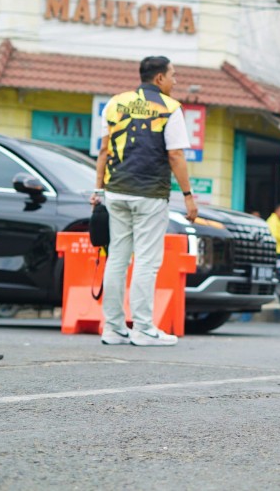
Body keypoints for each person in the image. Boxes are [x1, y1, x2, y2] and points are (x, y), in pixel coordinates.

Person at [94, 55, 198, 347]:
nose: (175, 82)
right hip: (149, 195)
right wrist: (188, 196)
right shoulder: (171, 108)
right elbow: (175, 155)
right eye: (173, 76)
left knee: (117, 258)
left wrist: (98, 189)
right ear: (159, 78)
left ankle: (113, 329)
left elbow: (103, 150)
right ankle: (143, 328)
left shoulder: (115, 103)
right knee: (147, 262)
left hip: (115, 191)